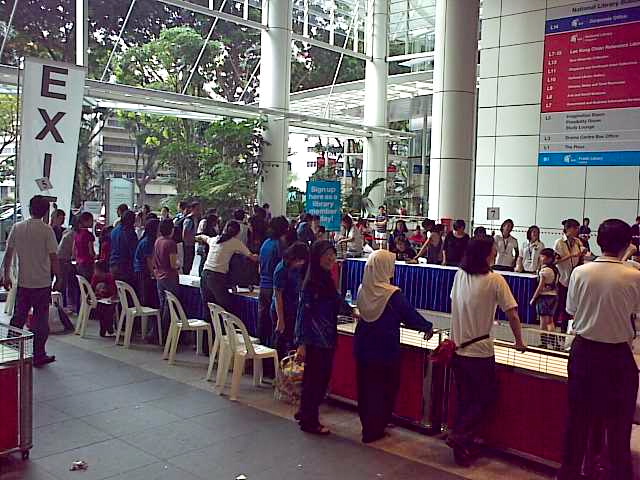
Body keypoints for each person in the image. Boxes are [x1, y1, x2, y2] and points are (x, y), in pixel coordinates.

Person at [557, 219, 640, 480]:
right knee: (619, 425)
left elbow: (571, 310)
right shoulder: (634, 275)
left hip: (584, 354)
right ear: (628, 243)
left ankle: (570, 473)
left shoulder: (581, 272)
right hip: (618, 357)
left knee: (577, 420)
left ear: (598, 241)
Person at [447, 237, 526, 466]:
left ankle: (462, 445)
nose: (495, 254)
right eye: (493, 251)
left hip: (458, 350)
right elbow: (512, 313)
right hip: (480, 352)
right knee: (486, 398)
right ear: (485, 254)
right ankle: (461, 436)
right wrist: (519, 341)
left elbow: (455, 302)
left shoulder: (459, 275)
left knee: (465, 399)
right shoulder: (495, 280)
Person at [354, 250, 432, 443]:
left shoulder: (363, 288)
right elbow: (410, 315)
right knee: (385, 388)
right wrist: (427, 327)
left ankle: (368, 427)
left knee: (366, 389)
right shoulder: (392, 294)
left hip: (363, 344)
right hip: (385, 348)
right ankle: (377, 427)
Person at [295, 240, 353, 435]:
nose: (331, 258)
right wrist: (302, 343)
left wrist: (352, 311)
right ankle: (310, 422)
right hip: (315, 340)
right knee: (316, 381)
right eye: (327, 254)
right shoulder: (311, 283)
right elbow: (303, 313)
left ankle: (305, 413)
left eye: (333, 254)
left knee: (316, 380)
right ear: (317, 256)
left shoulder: (326, 279)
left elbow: (337, 301)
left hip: (327, 338)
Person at [3, 195, 60, 367]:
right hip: (42, 283)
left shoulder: (17, 227)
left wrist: (6, 275)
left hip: (23, 282)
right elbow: (53, 257)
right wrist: (58, 277)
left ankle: (10, 351)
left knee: (18, 317)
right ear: (45, 211)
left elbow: (8, 254)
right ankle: (38, 355)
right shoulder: (47, 230)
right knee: (40, 320)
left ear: (29, 208)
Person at [197, 220, 257, 313]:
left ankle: (211, 327)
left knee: (208, 308)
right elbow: (252, 257)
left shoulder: (215, 239)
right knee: (226, 308)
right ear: (238, 232)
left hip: (204, 275)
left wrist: (198, 237)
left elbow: (205, 238)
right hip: (217, 277)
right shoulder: (235, 242)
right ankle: (225, 327)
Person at [272, 242, 309, 361]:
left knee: (292, 343)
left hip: (293, 309)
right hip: (281, 310)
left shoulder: (296, 268)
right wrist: (280, 319)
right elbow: (278, 296)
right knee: (281, 343)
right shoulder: (281, 270)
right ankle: (278, 371)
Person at [258, 216, 290, 346]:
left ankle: (261, 348)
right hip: (273, 287)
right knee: (274, 323)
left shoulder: (265, 243)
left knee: (262, 321)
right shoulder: (279, 245)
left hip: (262, 286)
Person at [151, 219, 180, 344]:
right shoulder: (171, 243)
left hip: (159, 276)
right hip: (170, 277)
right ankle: (165, 334)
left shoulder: (158, 241)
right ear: (171, 230)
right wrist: (178, 264)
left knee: (163, 304)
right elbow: (173, 264)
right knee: (170, 306)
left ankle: (157, 333)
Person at [553, 219, 585, 332]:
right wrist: (571, 255)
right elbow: (555, 261)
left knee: (569, 307)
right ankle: (551, 333)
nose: (577, 231)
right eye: (575, 228)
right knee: (560, 306)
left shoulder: (577, 241)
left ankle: (564, 332)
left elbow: (580, 255)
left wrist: (582, 254)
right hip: (562, 278)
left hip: (574, 278)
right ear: (569, 229)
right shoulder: (559, 242)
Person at [529, 248, 559, 342]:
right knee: (550, 321)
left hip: (544, 297)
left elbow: (540, 286)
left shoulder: (544, 271)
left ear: (549, 258)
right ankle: (554, 342)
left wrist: (533, 298)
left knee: (543, 321)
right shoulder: (555, 270)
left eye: (542, 256)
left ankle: (544, 342)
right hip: (554, 296)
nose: (540, 258)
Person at [134, 218, 160, 308]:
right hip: (142, 271)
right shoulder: (147, 242)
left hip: (143, 270)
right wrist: (153, 274)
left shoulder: (150, 240)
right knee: (143, 294)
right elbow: (149, 260)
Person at [110, 209, 138, 287]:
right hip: (125, 267)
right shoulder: (129, 233)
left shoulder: (115, 230)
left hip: (113, 264)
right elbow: (133, 252)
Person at [57, 219, 79, 311]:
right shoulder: (74, 235)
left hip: (61, 258)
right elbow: (74, 252)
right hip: (64, 259)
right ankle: (65, 305)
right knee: (66, 282)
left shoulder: (67, 231)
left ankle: (64, 304)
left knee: (65, 282)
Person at [91, 261, 117, 337]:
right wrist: (96, 295)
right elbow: (92, 288)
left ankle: (109, 328)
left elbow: (114, 290)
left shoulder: (110, 277)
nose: (95, 272)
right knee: (100, 309)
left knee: (109, 311)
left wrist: (111, 296)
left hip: (109, 299)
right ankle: (103, 329)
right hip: (100, 299)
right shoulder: (95, 277)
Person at [74, 212, 96, 280]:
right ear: (85, 221)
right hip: (87, 263)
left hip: (79, 263)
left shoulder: (77, 234)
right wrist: (95, 256)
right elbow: (91, 252)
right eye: (91, 220)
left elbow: (74, 250)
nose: (92, 222)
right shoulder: (89, 235)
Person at [196, 212, 218, 276]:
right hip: (206, 248)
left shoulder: (210, 228)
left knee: (203, 262)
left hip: (206, 248)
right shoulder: (209, 229)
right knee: (203, 262)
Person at [182, 201, 201, 275]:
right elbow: (184, 234)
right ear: (192, 209)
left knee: (190, 263)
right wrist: (190, 240)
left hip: (191, 244)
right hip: (187, 245)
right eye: (197, 209)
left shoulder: (195, 219)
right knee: (187, 263)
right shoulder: (189, 220)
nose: (199, 211)